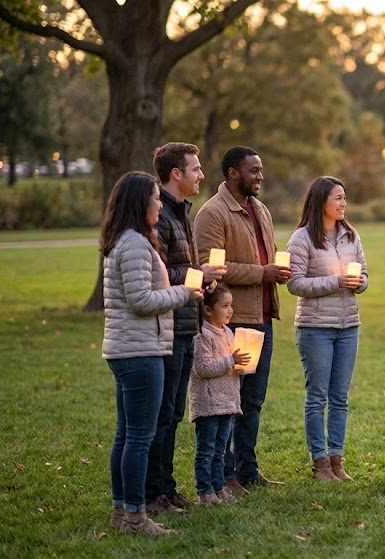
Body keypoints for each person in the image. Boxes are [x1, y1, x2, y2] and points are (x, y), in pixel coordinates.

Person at [100, 171, 200, 535]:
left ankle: (121, 511)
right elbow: (141, 300)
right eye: (156, 199)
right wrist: (184, 294)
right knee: (139, 437)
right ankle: (136, 517)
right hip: (139, 352)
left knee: (126, 435)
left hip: (129, 349)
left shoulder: (125, 240)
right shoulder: (135, 245)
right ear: (140, 202)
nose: (160, 203)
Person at [194, 146, 291, 495]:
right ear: (233, 173)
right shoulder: (213, 213)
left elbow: (268, 253)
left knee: (253, 400)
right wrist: (262, 272)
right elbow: (210, 269)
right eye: (254, 170)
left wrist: (277, 271)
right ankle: (227, 475)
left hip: (263, 316)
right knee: (229, 401)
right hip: (234, 320)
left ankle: (248, 470)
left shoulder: (260, 210)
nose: (260, 176)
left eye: (261, 170)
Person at [145, 142, 226, 515]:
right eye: (195, 169)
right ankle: (153, 493)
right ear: (176, 174)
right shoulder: (159, 215)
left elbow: (183, 273)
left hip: (186, 322)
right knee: (164, 414)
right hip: (169, 325)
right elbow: (159, 273)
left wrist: (204, 284)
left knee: (174, 412)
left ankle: (167, 488)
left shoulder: (180, 213)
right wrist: (199, 274)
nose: (201, 175)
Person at [286, 176, 368, 482]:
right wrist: (335, 282)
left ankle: (337, 459)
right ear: (321, 202)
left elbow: (365, 274)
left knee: (340, 397)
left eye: (345, 198)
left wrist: (360, 282)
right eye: (338, 198)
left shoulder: (351, 236)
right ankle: (319, 462)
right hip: (315, 328)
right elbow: (294, 283)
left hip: (349, 326)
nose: (344, 204)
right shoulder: (302, 239)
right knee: (317, 396)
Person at [190, 284, 249, 505]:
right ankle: (205, 491)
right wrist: (230, 361)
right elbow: (202, 369)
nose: (230, 310)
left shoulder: (229, 332)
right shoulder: (202, 335)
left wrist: (241, 366)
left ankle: (220, 487)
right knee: (207, 451)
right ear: (207, 310)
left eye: (231, 305)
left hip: (228, 402)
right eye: (224, 305)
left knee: (220, 451)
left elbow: (230, 365)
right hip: (208, 403)